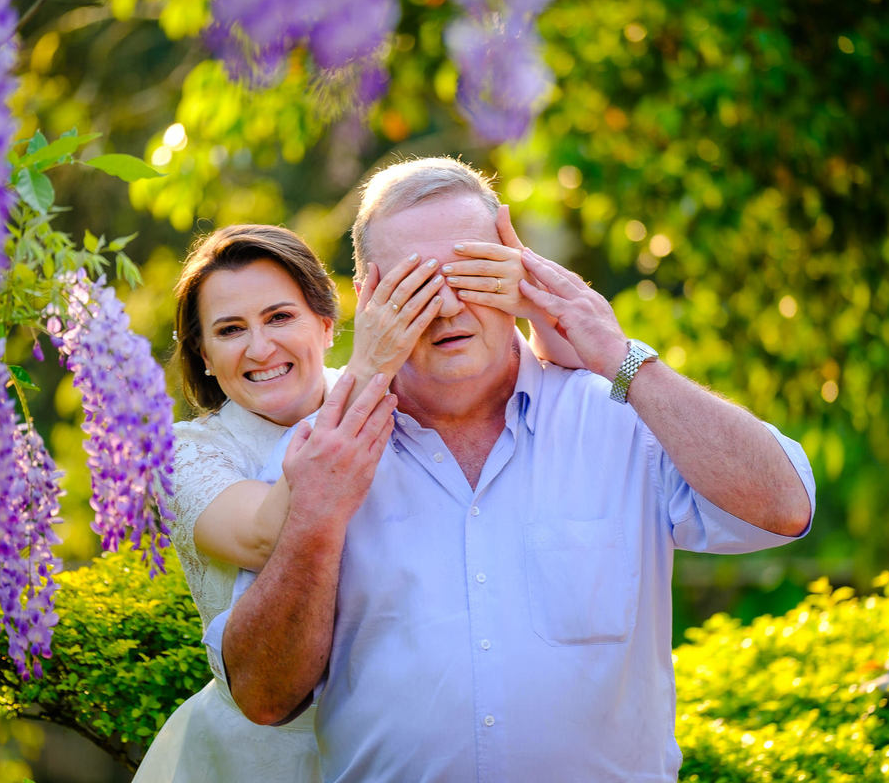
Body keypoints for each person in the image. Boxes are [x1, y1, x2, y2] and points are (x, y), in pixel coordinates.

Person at [206, 157, 817, 782]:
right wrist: (318, 514)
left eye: (472, 274)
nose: (446, 307)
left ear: (514, 267)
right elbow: (263, 696)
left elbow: (784, 506)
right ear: (368, 296)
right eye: (415, 286)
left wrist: (616, 352)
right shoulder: (320, 452)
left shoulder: (618, 417)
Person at [133, 221, 576, 782]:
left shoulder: (391, 395)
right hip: (258, 756)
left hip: (401, 750)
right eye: (229, 330)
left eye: (279, 317)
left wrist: (528, 297)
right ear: (203, 355)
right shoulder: (183, 456)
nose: (260, 347)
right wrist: (371, 368)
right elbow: (271, 534)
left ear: (324, 321)